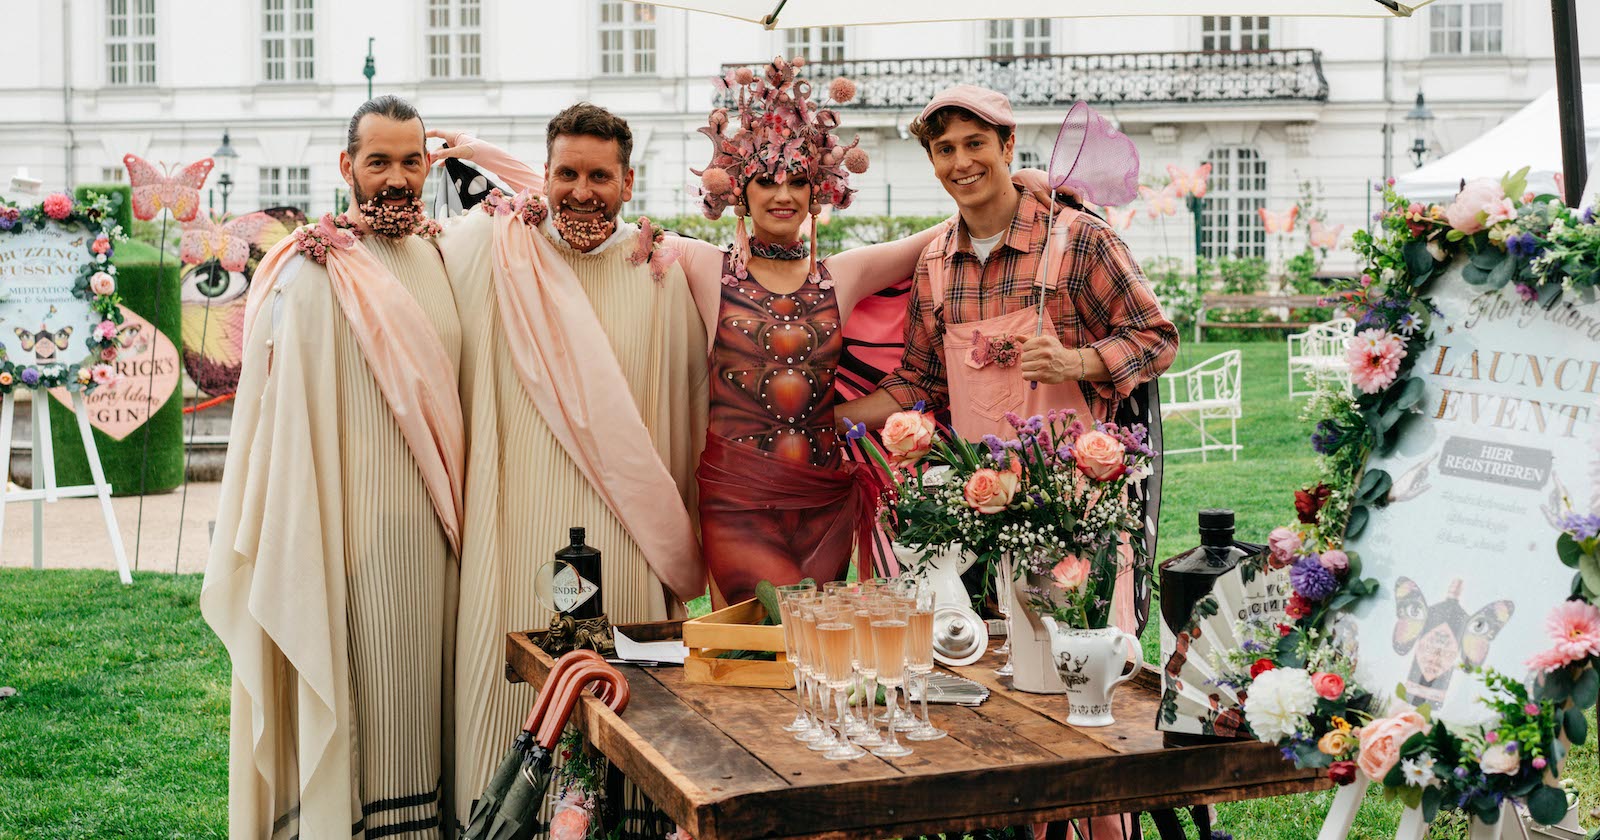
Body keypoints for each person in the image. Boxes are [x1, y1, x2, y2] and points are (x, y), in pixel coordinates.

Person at [838, 84, 1177, 840]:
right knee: (1017, 702)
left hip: (1080, 513)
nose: (961, 163)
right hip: (987, 516)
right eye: (944, 150)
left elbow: (1157, 337)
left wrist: (1080, 360)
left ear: (1007, 146)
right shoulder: (936, 262)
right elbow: (918, 383)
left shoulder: (1078, 240)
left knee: (1091, 699)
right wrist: (831, 420)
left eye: (975, 145)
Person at [432, 103, 708, 823]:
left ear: (628, 182)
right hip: (520, 513)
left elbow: (687, 406)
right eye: (566, 175)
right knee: (522, 673)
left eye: (599, 177)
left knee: (628, 688)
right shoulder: (498, 253)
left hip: (626, 525)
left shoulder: (659, 272)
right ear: (544, 175)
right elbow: (406, 269)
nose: (581, 192)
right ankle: (508, 819)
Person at [201, 95, 466, 838]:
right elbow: (279, 415)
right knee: (361, 696)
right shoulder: (309, 268)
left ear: (429, 166)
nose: (396, 178)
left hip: (439, 531)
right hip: (342, 529)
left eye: (410, 161)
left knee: (423, 695)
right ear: (347, 167)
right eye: (378, 162)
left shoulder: (446, 257)